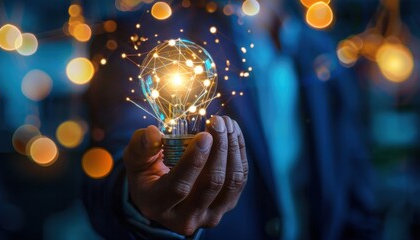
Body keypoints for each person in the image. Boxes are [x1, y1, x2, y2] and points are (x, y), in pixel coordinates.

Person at [83, 1, 379, 239]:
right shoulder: (144, 34)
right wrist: (143, 204)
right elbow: (111, 160)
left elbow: (353, 181)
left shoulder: (321, 47)